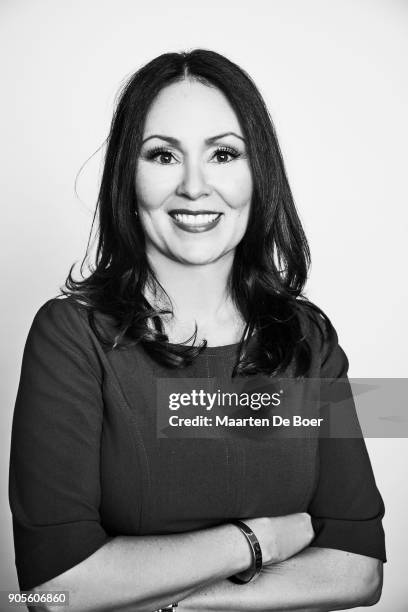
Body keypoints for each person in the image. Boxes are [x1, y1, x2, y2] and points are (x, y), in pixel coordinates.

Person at [9, 49, 386, 612]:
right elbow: (49, 592)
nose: (194, 186)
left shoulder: (309, 340)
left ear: (258, 172)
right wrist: (255, 542)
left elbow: (358, 572)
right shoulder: (70, 336)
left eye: (224, 154)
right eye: (162, 155)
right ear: (126, 177)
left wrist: (158, 600)